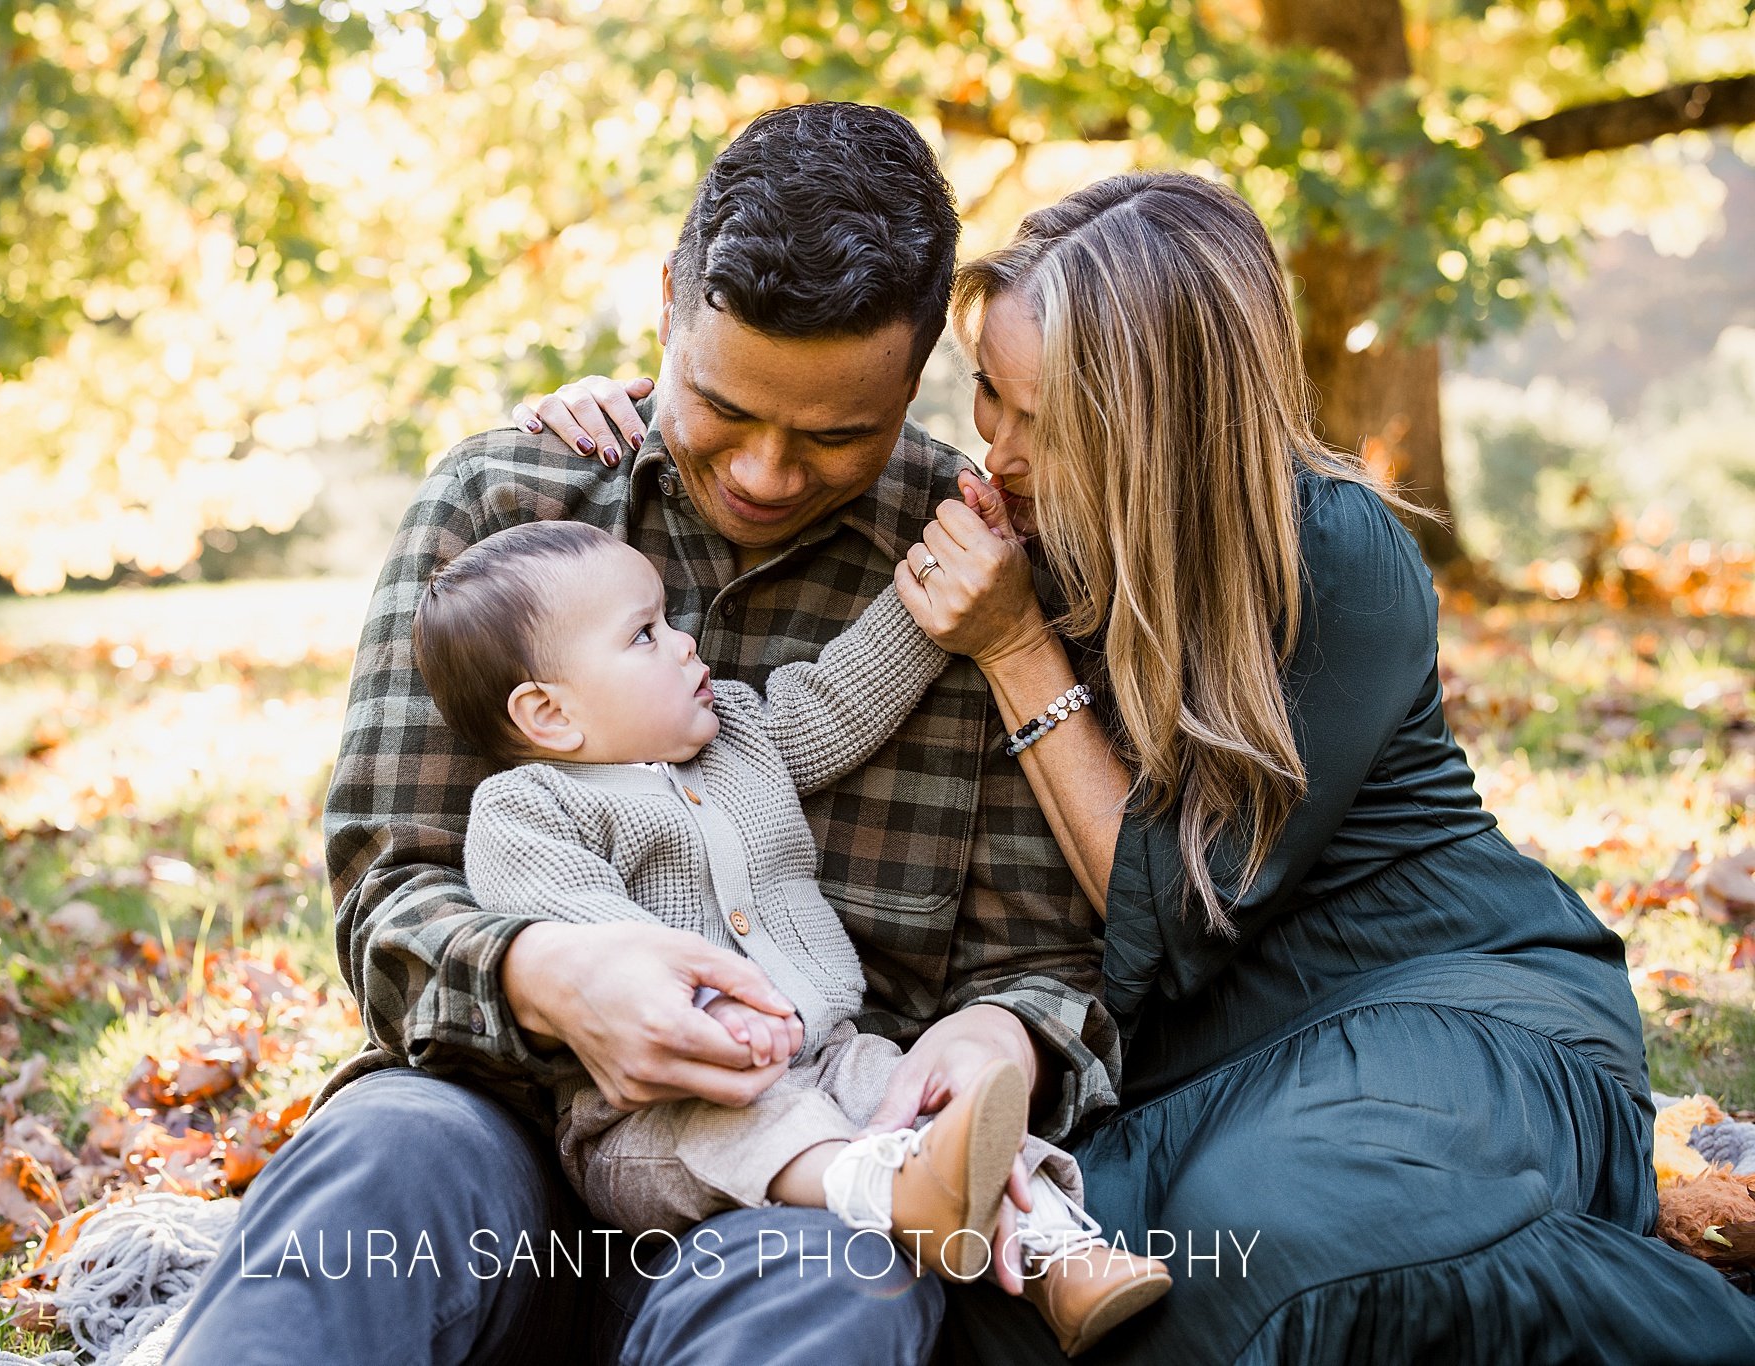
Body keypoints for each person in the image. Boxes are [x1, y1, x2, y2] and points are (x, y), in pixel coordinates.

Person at [526, 170, 1755, 1363]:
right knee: (1018, 1286)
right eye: (983, 396)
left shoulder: (1328, 553)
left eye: (1030, 417)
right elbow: (761, 483)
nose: (990, 449)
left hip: (1434, 1009)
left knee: (1267, 1245)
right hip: (1185, 1076)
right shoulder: (1034, 524)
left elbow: (1174, 912)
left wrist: (1014, 648)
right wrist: (640, 409)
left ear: (1143, 422)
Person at [161, 102, 1122, 1366]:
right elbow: (387, 892)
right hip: (502, 1115)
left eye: (835, 433)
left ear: (917, 371)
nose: (768, 474)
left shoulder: (972, 566)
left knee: (836, 1291)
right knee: (382, 1158)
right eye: (724, 406)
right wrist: (546, 975)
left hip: (812, 1151)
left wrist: (1002, 1033)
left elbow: (1047, 956)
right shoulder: (507, 505)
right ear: (670, 300)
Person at [411, 518, 1170, 1351]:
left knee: (925, 1098)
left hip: (828, 1053)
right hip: (662, 1107)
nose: (684, 643)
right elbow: (594, 930)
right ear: (549, 714)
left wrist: (927, 593)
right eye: (645, 635)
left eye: (669, 619)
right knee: (757, 1130)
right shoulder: (531, 808)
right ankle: (892, 1194)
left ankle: (1062, 1255)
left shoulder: (739, 735)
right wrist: (702, 1004)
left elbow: (842, 698)